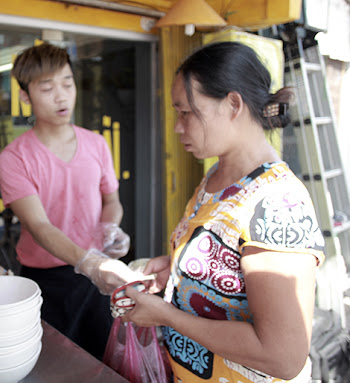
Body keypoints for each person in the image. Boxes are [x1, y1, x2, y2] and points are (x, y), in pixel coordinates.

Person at [122, 41, 325, 383]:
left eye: (186, 112)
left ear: (233, 104)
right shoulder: (215, 179)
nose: (177, 126)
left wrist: (167, 317)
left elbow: (283, 356)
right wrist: (177, 267)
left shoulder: (275, 202)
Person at [0, 42, 143, 359]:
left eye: (67, 83)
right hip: (47, 282)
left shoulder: (96, 144)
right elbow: (38, 226)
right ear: (26, 96)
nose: (62, 96)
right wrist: (89, 262)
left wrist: (110, 230)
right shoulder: (14, 158)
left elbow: (112, 201)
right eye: (47, 88)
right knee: (55, 365)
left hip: (94, 279)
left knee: (103, 359)